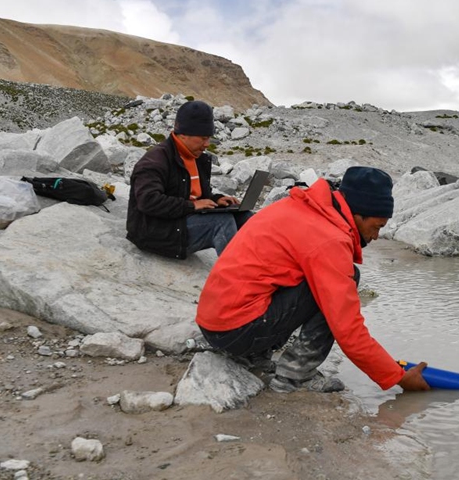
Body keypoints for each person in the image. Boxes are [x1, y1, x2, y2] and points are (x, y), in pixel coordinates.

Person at [194, 166, 430, 393]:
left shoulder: (303, 207)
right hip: (234, 331)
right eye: (376, 226)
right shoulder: (329, 239)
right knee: (340, 285)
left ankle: (256, 353)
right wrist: (396, 376)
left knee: (321, 281)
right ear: (358, 214)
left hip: (214, 322)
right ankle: (295, 376)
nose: (376, 236)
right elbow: (347, 329)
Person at [126, 100, 251, 259]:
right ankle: (236, 278)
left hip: (180, 220)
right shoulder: (154, 161)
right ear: (183, 134)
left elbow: (194, 195)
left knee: (246, 217)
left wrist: (217, 200)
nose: (207, 144)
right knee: (222, 222)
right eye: (203, 138)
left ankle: (262, 269)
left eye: (209, 138)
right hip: (154, 232)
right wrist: (192, 206)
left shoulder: (197, 157)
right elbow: (148, 201)